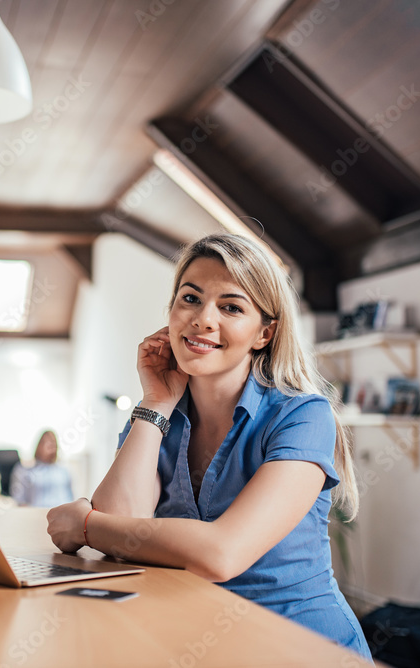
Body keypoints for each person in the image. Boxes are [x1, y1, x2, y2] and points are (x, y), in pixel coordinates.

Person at [47, 234, 372, 658]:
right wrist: (155, 403)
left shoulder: (303, 416)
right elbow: (121, 526)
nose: (203, 319)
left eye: (231, 307)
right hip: (196, 638)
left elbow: (222, 553)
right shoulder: (156, 416)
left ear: (264, 333)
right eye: (190, 298)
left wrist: (85, 525)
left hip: (300, 647)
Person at [10, 430, 74, 507]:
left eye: (53, 443)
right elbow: (19, 499)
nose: (51, 446)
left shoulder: (63, 471)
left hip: (63, 514)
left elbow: (71, 497)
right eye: (46, 442)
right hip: (36, 513)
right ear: (39, 446)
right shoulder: (25, 470)